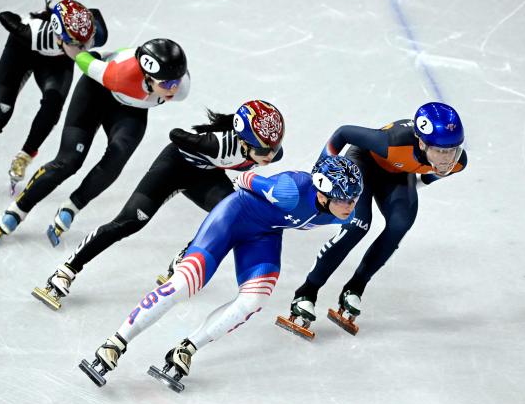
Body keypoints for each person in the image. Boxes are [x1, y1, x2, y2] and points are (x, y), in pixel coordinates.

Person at [78, 155, 363, 391]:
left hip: (264, 235)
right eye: (345, 200)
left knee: (255, 299)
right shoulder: (291, 189)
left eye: (354, 199)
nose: (350, 206)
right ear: (324, 194)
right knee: (185, 284)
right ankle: (114, 343)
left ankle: (186, 349)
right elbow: (244, 180)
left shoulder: (344, 211)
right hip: (233, 217)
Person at [32, 100, 285, 310]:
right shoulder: (218, 144)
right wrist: (196, 141)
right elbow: (175, 135)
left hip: (204, 175)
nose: (271, 156)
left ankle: (184, 257)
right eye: (265, 150)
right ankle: (65, 271)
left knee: (234, 215)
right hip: (173, 168)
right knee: (128, 223)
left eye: (274, 148)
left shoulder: (265, 149)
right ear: (242, 142)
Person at [285, 102, 468, 336]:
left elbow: (429, 176)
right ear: (421, 142)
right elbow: (344, 132)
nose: (446, 159)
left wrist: (409, 188)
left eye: (451, 150)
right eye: (440, 151)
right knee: (358, 225)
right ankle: (307, 291)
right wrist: (320, 174)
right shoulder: (393, 141)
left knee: (401, 223)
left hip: (397, 176)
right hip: (364, 163)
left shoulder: (457, 163)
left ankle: (355, 288)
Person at [0, 37, 190, 247]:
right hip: (96, 93)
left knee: (117, 158)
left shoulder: (180, 87)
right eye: (167, 84)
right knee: (69, 161)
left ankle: (72, 207)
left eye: (176, 81)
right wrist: (92, 55)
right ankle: (18, 209)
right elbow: (82, 59)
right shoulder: (119, 75)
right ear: (148, 77)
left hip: (132, 110)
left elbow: (160, 72)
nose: (173, 89)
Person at [0, 0, 107, 198]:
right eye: (75, 45)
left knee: (52, 108)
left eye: (84, 43)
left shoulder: (94, 34)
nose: (82, 51)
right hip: (21, 52)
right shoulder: (33, 34)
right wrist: (18, 25)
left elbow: (93, 16)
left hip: (56, 63)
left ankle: (25, 156)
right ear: (59, 37)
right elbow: (5, 16)